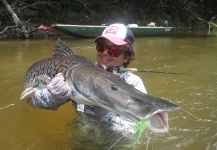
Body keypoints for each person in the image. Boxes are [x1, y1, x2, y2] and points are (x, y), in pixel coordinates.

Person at [27, 23, 147, 137]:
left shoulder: (134, 84)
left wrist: (102, 107)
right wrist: (50, 97)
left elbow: (133, 134)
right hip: (79, 138)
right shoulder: (79, 73)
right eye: (101, 46)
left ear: (126, 57)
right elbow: (31, 100)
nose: (104, 53)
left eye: (113, 50)